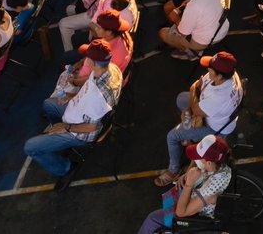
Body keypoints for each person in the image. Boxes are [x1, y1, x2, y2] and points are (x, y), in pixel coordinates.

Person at [26, 39, 122, 179]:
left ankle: (65, 168)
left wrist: (67, 127)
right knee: (48, 104)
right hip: (79, 112)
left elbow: (92, 127)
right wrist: (72, 95)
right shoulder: (111, 68)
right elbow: (88, 91)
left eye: (87, 57)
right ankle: (58, 137)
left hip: (81, 133)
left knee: (30, 147)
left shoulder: (97, 96)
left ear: (90, 63)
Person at [156, 52, 243, 185]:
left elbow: (196, 101)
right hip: (209, 110)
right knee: (181, 99)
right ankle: (188, 137)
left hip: (214, 129)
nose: (207, 70)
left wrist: (193, 92)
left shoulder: (220, 96)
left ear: (219, 76)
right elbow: (199, 87)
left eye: (211, 70)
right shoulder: (230, 74)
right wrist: (194, 95)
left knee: (172, 136)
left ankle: (173, 170)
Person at [137, 135, 233, 234]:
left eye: (200, 157)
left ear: (208, 163)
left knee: (152, 218)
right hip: (202, 201)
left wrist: (189, 184)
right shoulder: (221, 166)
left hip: (196, 218)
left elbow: (181, 213)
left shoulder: (209, 191)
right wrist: (187, 174)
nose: (196, 159)